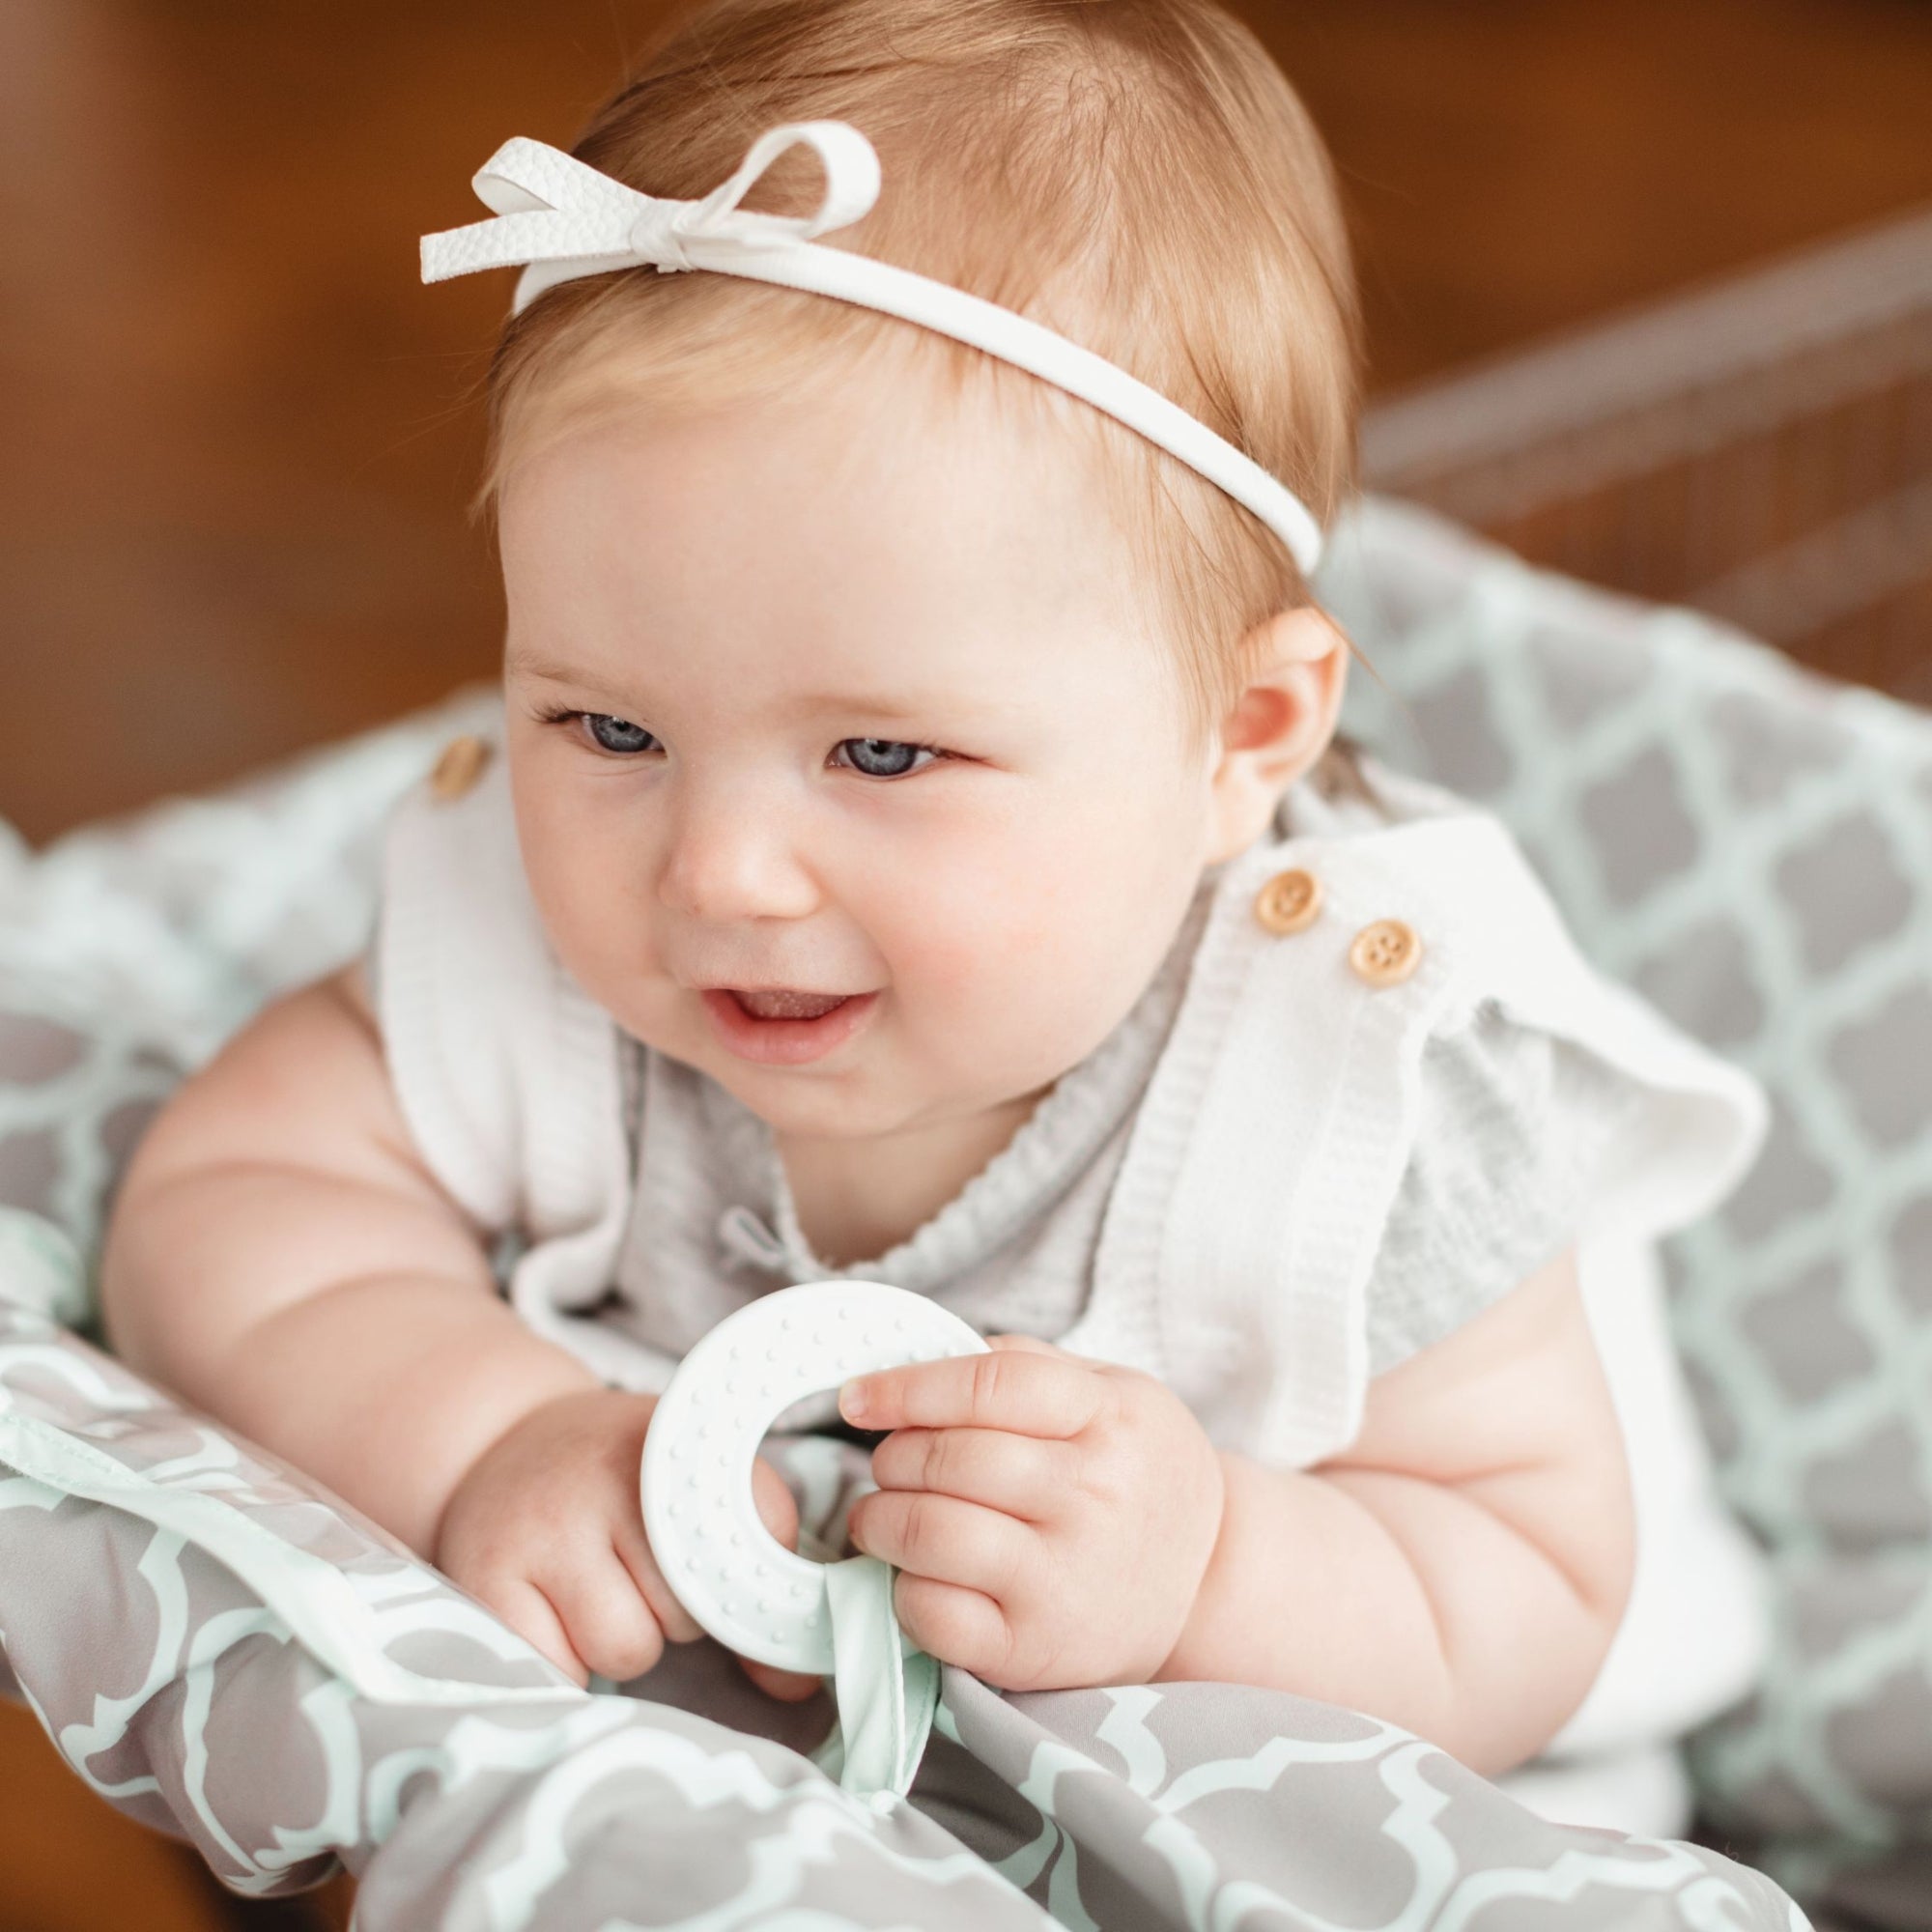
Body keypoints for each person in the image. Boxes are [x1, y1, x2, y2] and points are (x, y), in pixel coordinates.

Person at [99, 0, 1768, 1830]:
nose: (718, 873)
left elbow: (1526, 1574)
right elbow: (238, 1197)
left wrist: (1209, 1567)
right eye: (612, 725)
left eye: (884, 754)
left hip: (1317, 1811)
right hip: (738, 1808)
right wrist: (481, 1429)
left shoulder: (1366, 1093)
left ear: (1243, 738)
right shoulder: (538, 946)